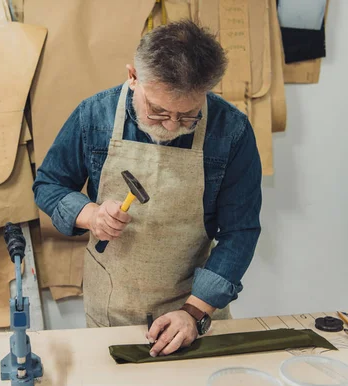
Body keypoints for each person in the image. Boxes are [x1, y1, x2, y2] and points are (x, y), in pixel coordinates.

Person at [32, 20, 262, 357]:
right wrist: (89, 214)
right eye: (157, 111)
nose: (171, 125)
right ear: (133, 75)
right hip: (110, 306)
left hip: (192, 305)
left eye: (188, 116)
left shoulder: (232, 131)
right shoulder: (93, 115)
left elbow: (240, 231)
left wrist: (194, 313)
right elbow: (48, 184)